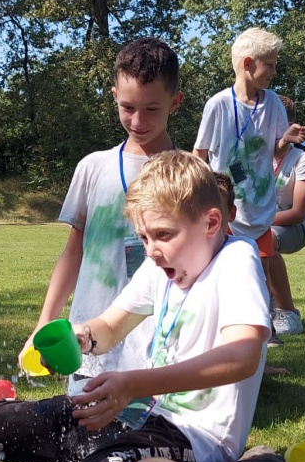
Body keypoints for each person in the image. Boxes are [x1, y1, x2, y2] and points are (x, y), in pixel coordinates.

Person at [0, 152, 305, 462]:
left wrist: (134, 384)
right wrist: (82, 337)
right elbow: (111, 327)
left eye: (163, 235)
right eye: (144, 237)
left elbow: (244, 356)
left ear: (211, 223)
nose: (151, 249)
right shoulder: (159, 267)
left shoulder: (236, 260)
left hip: (197, 437)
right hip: (141, 417)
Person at [23, 38, 184, 395]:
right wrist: (46, 319)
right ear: (113, 95)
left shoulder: (189, 175)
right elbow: (73, 251)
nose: (138, 120)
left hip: (158, 344)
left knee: (144, 442)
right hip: (89, 336)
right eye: (128, 107)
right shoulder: (94, 167)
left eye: (152, 109)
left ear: (176, 102)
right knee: (84, 437)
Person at [194, 28, 305, 270]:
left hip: (261, 213)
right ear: (248, 63)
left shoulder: (273, 101)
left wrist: (286, 139)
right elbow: (198, 158)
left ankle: (269, 309)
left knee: (261, 278)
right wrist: (206, 201)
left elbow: (276, 153)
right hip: (226, 212)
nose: (274, 72)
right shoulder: (218, 105)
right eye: (269, 65)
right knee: (226, 274)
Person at [266, 94, 305, 336]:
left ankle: (288, 314)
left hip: (299, 225)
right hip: (262, 221)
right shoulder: (257, 150)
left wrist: (256, 221)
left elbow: (299, 213)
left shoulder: (303, 154)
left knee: (265, 240)